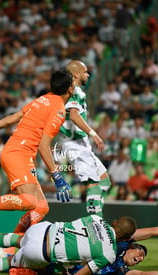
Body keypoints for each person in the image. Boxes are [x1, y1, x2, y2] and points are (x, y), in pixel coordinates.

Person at [0, 69, 75, 255]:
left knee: (41, 206)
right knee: (28, 201)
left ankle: (9, 247)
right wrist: (57, 176)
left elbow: (15, 116)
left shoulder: (42, 99)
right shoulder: (58, 110)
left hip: (19, 153)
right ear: (70, 89)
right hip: (18, 153)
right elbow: (44, 146)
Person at [0, 214, 138, 274]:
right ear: (124, 239)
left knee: (18, 239)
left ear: (114, 223)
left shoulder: (96, 217)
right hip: (42, 252)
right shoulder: (109, 254)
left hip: (45, 228)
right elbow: (82, 272)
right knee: (9, 264)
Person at [57, 60, 111, 216]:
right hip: (75, 144)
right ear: (76, 74)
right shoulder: (76, 92)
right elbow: (73, 115)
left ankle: (95, 218)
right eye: (85, 71)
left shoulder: (65, 93)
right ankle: (96, 226)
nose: (88, 74)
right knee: (93, 184)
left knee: (104, 181)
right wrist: (94, 135)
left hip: (78, 143)